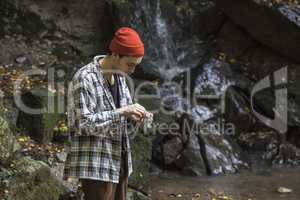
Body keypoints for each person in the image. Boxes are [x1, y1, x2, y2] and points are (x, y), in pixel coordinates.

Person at [63, 27, 153, 200]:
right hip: (96, 165)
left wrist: (138, 116)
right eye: (130, 64)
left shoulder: (120, 77)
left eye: (136, 65)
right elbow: (82, 124)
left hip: (119, 161)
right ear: (115, 54)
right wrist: (121, 111)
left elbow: (123, 118)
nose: (132, 70)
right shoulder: (85, 78)